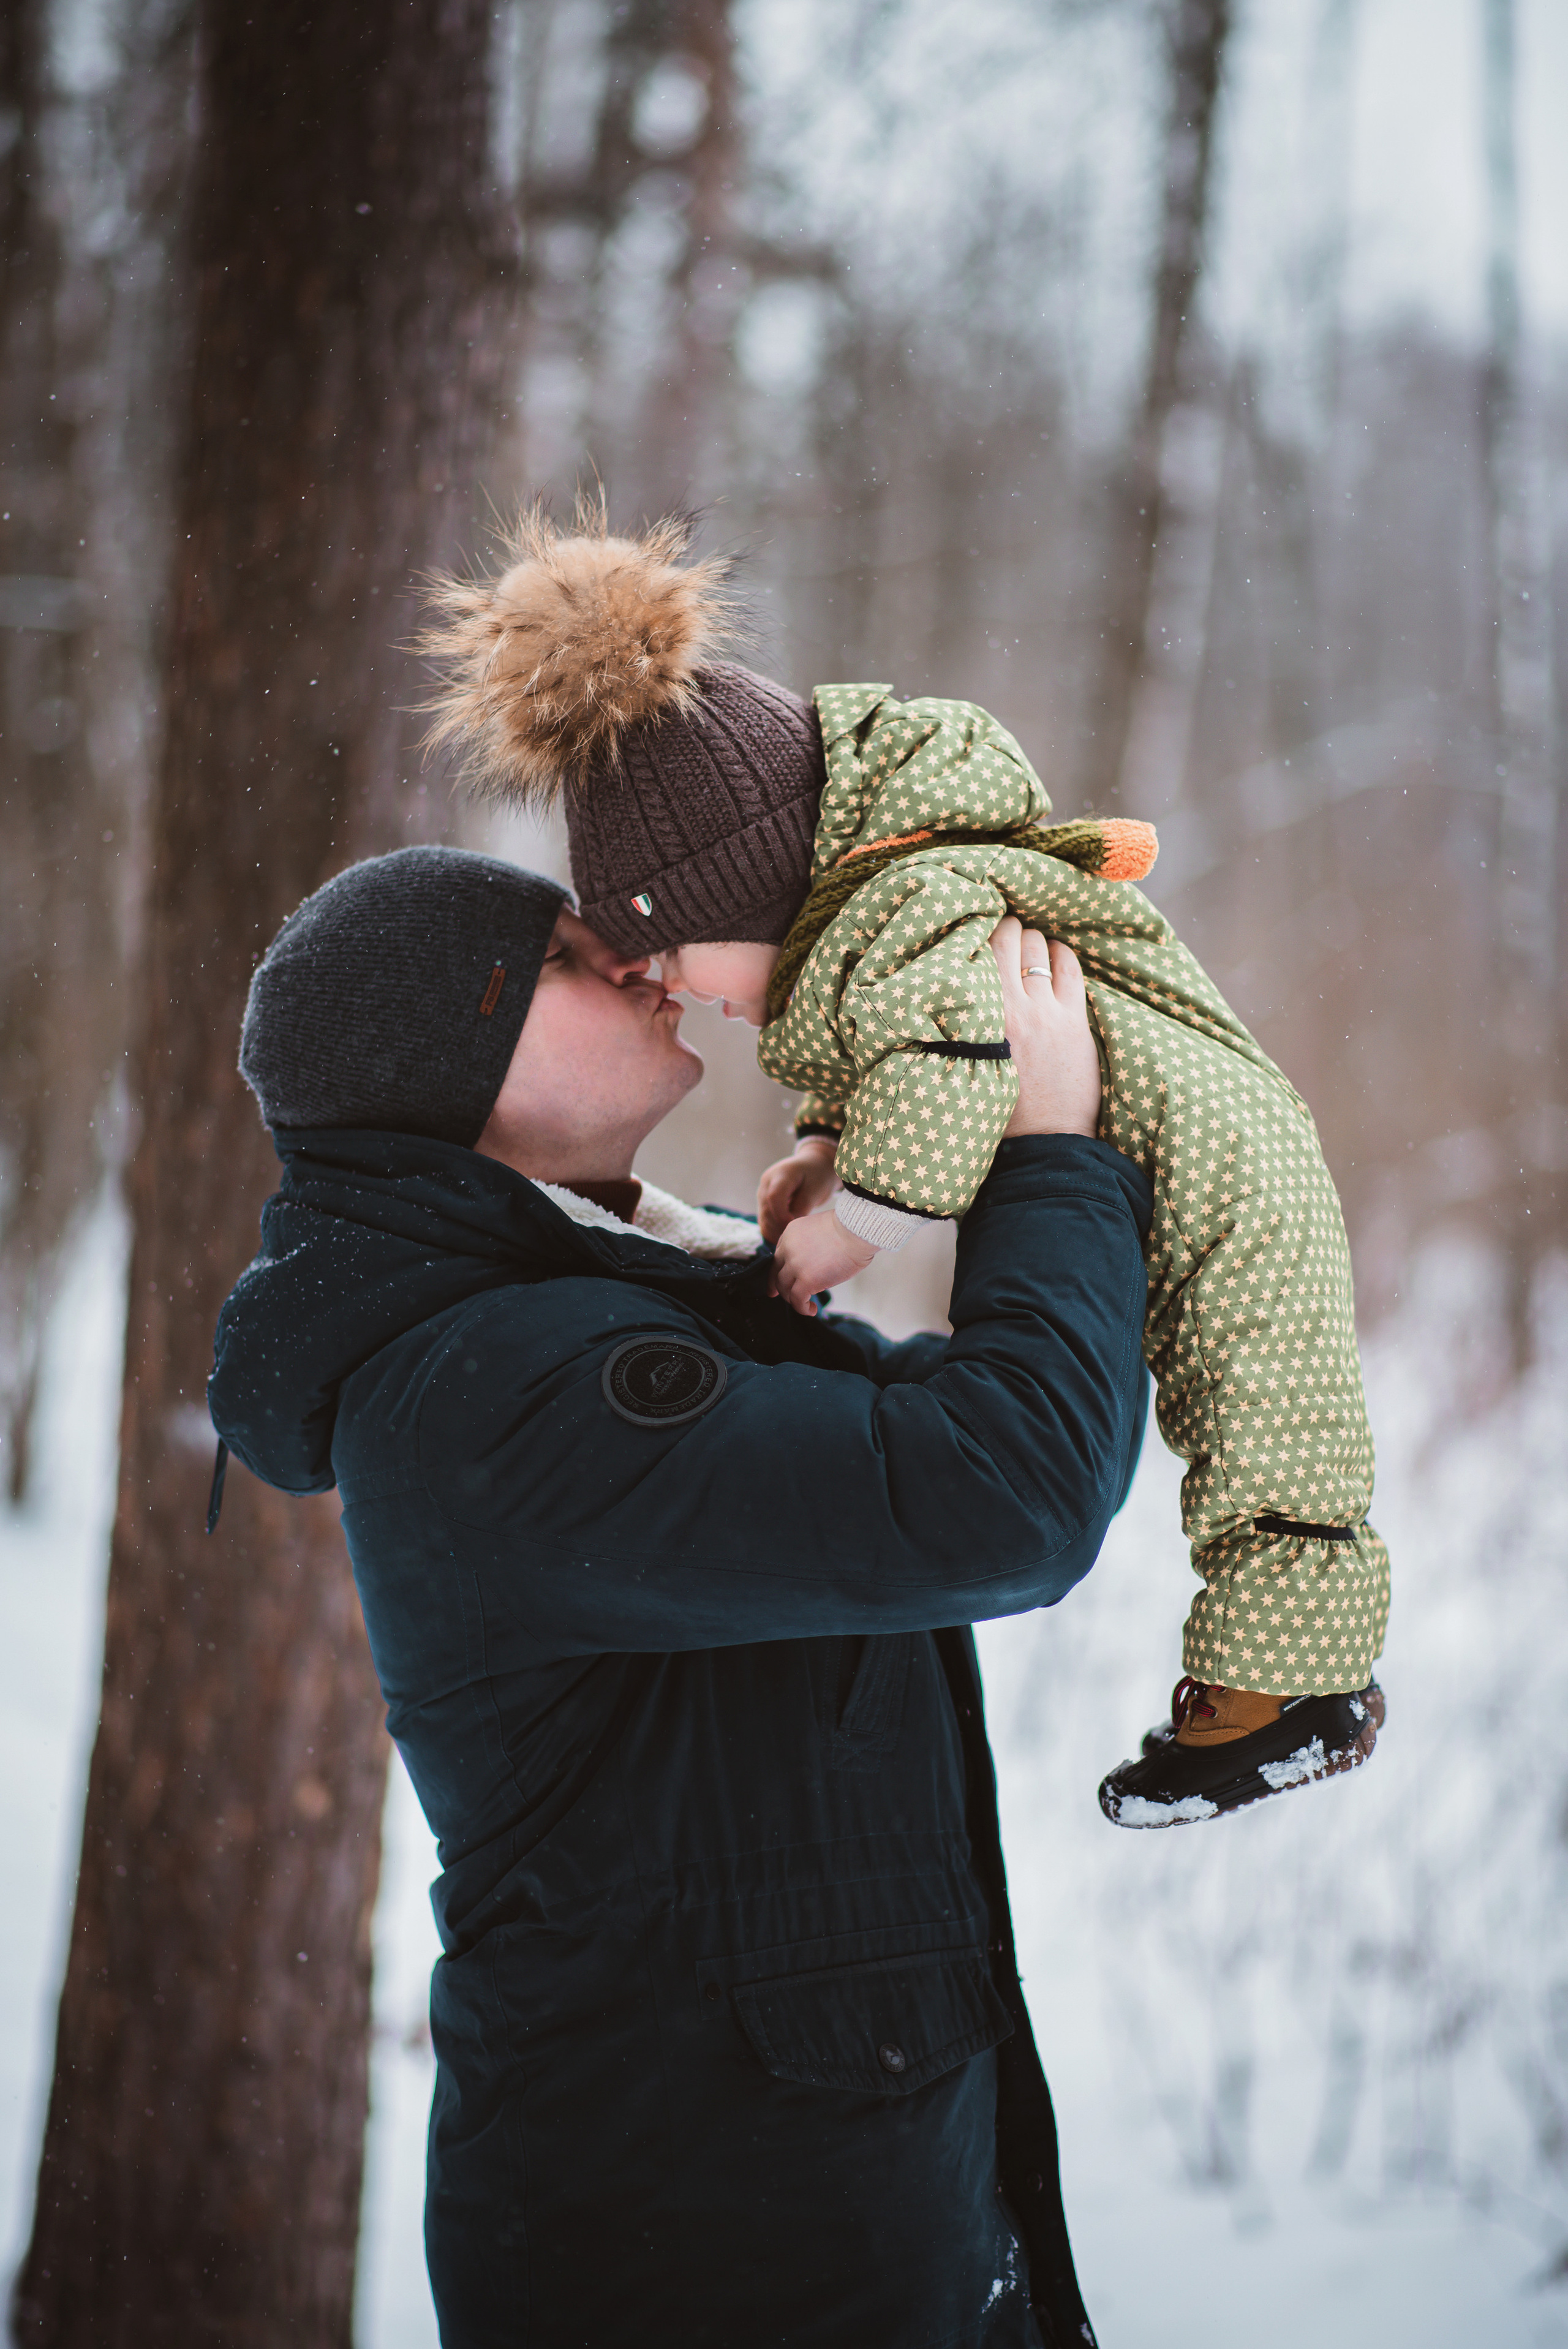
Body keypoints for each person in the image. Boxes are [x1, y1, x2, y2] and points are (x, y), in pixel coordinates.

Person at [208, 843, 1152, 2348]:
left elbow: (958, 1444)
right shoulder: (488, 1392)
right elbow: (1003, 1488)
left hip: (828, 2224)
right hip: (705, 2257)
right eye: (575, 960)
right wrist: (1048, 1152)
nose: (646, 962)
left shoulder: (610, 1309)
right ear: (450, 1059)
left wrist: (882, 1179)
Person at [417, 506, 1389, 1826]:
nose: (680, 994)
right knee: (1243, 1403)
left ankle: (1296, 1687)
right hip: (1171, 1146)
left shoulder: (901, 909)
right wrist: (825, 1148)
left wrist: (847, 1228)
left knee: (1261, 1407)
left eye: (675, 957)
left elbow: (945, 1067)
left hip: (1217, 1155)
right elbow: (901, 1053)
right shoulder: (874, 925)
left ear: (746, 893)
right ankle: (1275, 1677)